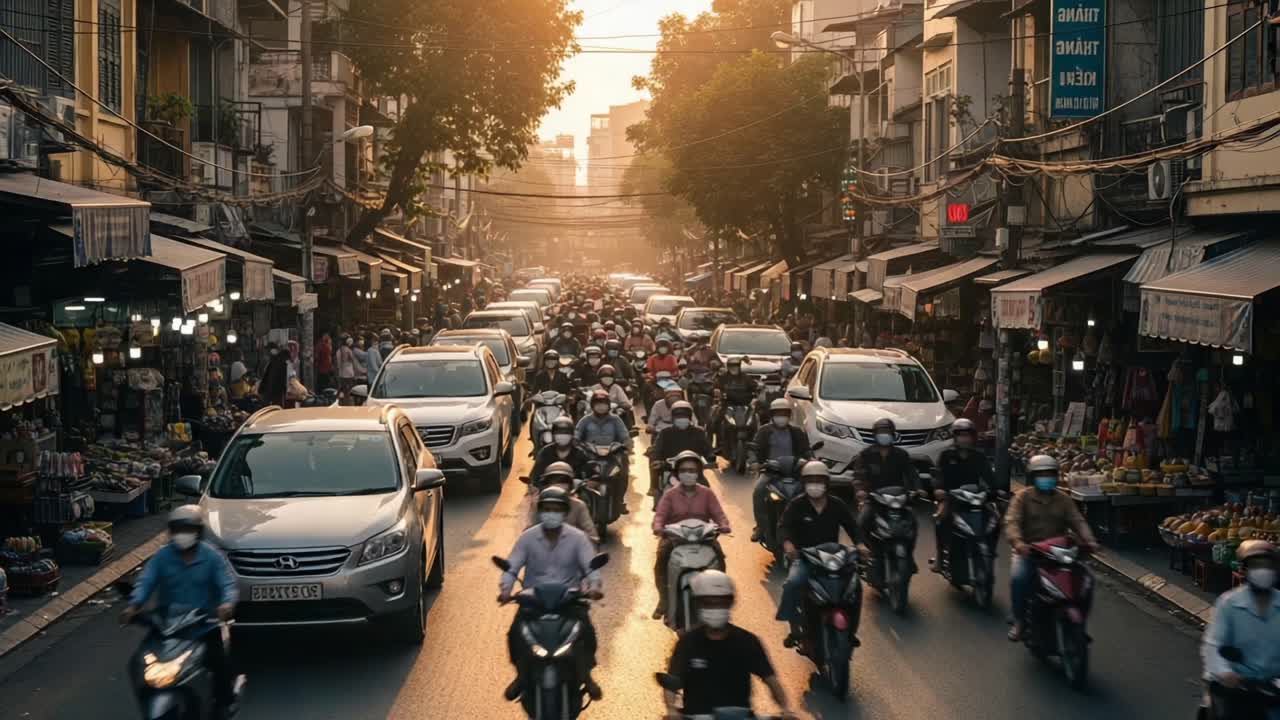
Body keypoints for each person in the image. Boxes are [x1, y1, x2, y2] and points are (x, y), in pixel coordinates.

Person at [121, 506, 240, 715]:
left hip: (204, 626)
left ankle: (224, 703)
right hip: (168, 626)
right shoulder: (162, 557)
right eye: (177, 529)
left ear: (197, 531)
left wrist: (226, 605)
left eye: (186, 529)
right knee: (138, 662)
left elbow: (227, 584)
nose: (181, 534)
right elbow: (145, 581)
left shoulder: (211, 557)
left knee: (219, 664)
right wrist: (133, 606)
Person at [498, 488, 603, 701]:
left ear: (564, 513)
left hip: (570, 600)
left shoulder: (578, 538)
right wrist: (506, 590)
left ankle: (587, 675)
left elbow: (591, 567)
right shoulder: (527, 538)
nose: (551, 513)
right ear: (540, 511)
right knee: (515, 634)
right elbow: (512, 566)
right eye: (547, 509)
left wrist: (595, 587)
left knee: (587, 633)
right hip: (534, 601)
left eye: (556, 509)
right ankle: (521, 675)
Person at [663, 571, 798, 719]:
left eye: (721, 602)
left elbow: (771, 680)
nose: (716, 608)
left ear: (730, 602)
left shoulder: (747, 641)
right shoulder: (687, 643)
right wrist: (672, 710)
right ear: (698, 604)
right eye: (709, 603)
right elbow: (671, 683)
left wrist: (785, 709)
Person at [1004, 454, 1098, 641]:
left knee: (1086, 581)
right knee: (1019, 579)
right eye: (1042, 474)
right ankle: (1020, 621)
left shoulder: (1063, 499)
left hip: (1059, 554)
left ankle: (1079, 623)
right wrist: (1019, 543)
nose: (1046, 478)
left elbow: (1078, 521)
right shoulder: (1022, 498)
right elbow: (1012, 522)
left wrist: (1090, 540)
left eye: (1050, 474)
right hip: (1031, 552)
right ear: (1032, 476)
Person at [777, 462, 859, 646]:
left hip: (833, 559)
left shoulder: (837, 504)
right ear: (804, 483)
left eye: (819, 480)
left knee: (854, 588)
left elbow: (852, 527)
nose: (815, 485)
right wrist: (789, 545)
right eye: (810, 481)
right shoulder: (797, 505)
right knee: (792, 583)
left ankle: (851, 630)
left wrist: (861, 545)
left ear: (826, 483)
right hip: (805, 557)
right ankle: (794, 628)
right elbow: (784, 527)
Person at [1201, 540, 1280, 718]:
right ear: (1244, 569)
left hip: (1273, 692)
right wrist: (1224, 673)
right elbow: (1213, 645)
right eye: (1256, 565)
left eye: (1267, 564)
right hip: (1238, 690)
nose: (1262, 570)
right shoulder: (1229, 603)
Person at [651, 452, 730, 619]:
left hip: (704, 537)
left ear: (698, 472)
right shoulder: (670, 494)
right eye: (684, 470)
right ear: (678, 472)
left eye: (693, 470)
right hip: (674, 538)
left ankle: (718, 597)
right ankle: (664, 600)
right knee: (661, 561)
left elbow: (718, 513)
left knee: (719, 559)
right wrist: (658, 527)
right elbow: (660, 515)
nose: (689, 473)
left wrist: (723, 525)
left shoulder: (707, 493)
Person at [930, 418, 997, 572]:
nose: (964, 439)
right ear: (955, 437)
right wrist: (939, 490)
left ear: (973, 437)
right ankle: (940, 556)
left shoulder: (979, 457)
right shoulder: (946, 455)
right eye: (961, 435)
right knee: (942, 519)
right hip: (951, 498)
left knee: (994, 519)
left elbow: (989, 478)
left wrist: (997, 490)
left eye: (967, 435)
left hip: (975, 498)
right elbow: (938, 476)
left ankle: (990, 549)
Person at [852, 417, 920, 555]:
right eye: (881, 432)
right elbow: (858, 476)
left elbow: (912, 473)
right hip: (874, 498)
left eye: (887, 432)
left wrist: (919, 489)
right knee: (862, 520)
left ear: (893, 435)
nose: (884, 435)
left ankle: (909, 556)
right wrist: (860, 491)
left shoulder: (901, 454)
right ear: (875, 435)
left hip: (898, 499)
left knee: (912, 521)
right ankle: (865, 553)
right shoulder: (865, 455)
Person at [749, 400, 811, 542]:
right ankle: (760, 526)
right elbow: (754, 449)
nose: (781, 417)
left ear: (789, 415)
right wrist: (754, 462)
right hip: (771, 471)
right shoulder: (764, 431)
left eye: (784, 414)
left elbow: (806, 449)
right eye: (778, 414)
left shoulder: (797, 431)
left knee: (811, 490)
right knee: (758, 491)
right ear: (772, 415)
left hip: (794, 471)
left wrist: (811, 459)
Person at [575, 389, 633, 515]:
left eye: (604, 403)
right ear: (592, 405)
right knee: (579, 471)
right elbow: (577, 435)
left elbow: (625, 436)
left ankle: (620, 500)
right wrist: (577, 443)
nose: (601, 406)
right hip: (590, 455)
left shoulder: (616, 420)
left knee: (623, 472)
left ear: (608, 405)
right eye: (598, 403)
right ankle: (579, 498)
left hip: (612, 455)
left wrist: (627, 446)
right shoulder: (585, 420)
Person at [526, 462, 598, 544]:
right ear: (546, 485)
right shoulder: (537, 504)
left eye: (563, 481)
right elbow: (529, 530)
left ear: (570, 485)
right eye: (553, 481)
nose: (558, 485)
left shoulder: (579, 505)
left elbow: (592, 536)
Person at [712, 356, 758, 455]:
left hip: (745, 405)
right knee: (715, 420)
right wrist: (717, 391)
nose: (734, 368)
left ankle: (754, 443)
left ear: (739, 366)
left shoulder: (746, 378)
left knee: (755, 421)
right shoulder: (723, 378)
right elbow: (716, 387)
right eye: (732, 366)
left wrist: (759, 388)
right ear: (728, 367)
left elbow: (755, 386)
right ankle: (719, 445)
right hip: (727, 405)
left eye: (736, 366)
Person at [530, 417, 593, 483]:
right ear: (553, 435)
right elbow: (535, 476)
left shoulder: (580, 453)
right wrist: (532, 485)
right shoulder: (545, 452)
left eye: (566, 433)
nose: (562, 437)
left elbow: (591, 476)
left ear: (572, 435)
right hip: (549, 489)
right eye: (559, 433)